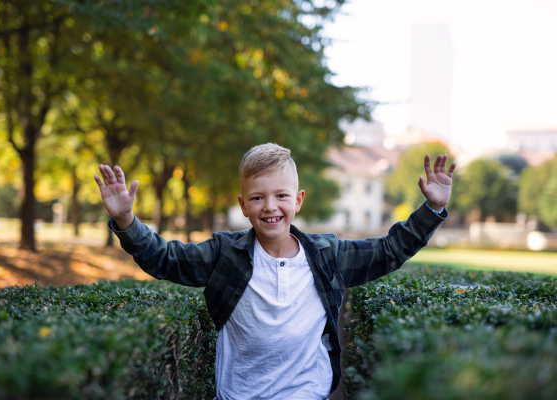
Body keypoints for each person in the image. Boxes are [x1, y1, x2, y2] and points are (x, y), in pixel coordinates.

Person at [94, 143, 456, 399]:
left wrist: (431, 209)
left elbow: (389, 250)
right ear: (243, 205)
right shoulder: (226, 253)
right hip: (238, 394)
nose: (270, 207)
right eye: (257, 197)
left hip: (306, 391)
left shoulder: (327, 254)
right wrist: (126, 219)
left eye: (281, 195)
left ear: (297, 201)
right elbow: (166, 258)